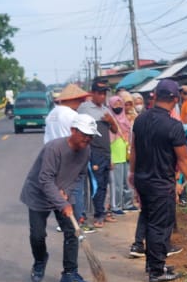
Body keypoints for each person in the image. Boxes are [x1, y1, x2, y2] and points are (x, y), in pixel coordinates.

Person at [130, 79, 187, 282]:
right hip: (161, 181)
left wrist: (131, 173)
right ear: (174, 98)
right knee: (160, 225)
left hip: (142, 179)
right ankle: (156, 271)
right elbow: (183, 158)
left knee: (149, 219)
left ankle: (153, 264)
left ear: (155, 95)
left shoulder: (140, 120)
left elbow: (134, 149)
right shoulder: (173, 126)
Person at [19, 113, 99, 282]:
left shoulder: (86, 150)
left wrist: (67, 193)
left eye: (91, 136)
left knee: (72, 232)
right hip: (38, 195)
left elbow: (79, 176)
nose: (88, 139)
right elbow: (45, 179)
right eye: (85, 134)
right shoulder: (54, 149)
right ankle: (40, 260)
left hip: (62, 193)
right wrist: (62, 202)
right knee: (38, 235)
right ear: (73, 131)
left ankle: (70, 274)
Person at [44, 83, 90, 225]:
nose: (81, 103)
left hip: (53, 156)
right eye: (79, 100)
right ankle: (77, 221)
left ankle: (65, 222)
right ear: (72, 99)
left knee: (60, 191)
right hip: (70, 157)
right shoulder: (72, 115)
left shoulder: (51, 114)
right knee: (75, 190)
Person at [78, 78, 120, 228]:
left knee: (104, 185)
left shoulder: (106, 110)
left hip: (106, 153)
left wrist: (110, 121)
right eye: (100, 93)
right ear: (93, 93)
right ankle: (97, 215)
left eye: (104, 94)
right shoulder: (85, 108)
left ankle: (101, 212)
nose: (102, 96)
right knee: (95, 185)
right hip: (92, 153)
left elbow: (115, 131)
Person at [108, 94, 134, 216]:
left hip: (126, 155)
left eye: (120, 104)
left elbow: (129, 136)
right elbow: (107, 141)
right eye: (115, 104)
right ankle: (116, 206)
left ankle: (128, 204)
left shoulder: (126, 120)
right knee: (117, 184)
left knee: (127, 182)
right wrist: (110, 158)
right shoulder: (109, 121)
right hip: (115, 157)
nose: (118, 106)